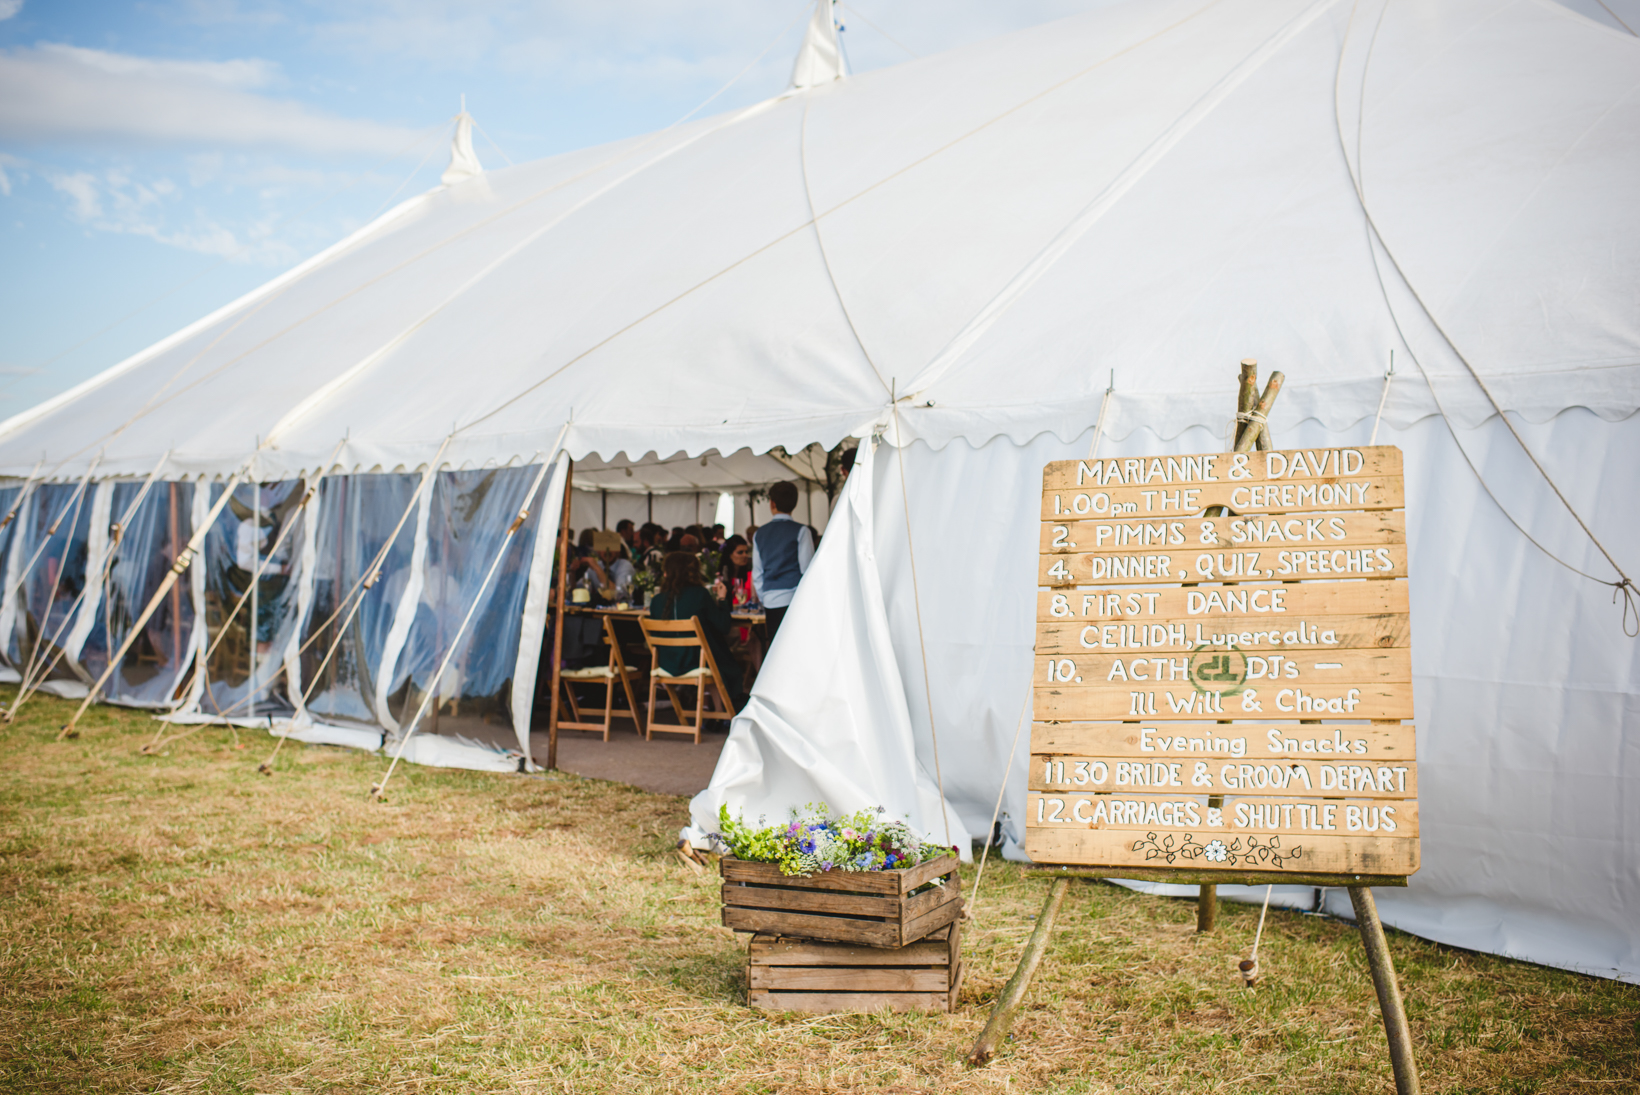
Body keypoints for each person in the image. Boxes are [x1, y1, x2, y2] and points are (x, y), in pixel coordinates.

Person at [648, 550, 746, 712]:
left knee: (714, 655)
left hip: (667, 663)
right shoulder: (699, 594)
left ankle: (718, 710)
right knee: (722, 658)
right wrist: (722, 599)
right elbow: (724, 626)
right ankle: (723, 711)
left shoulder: (656, 601)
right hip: (696, 662)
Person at [752, 480, 814, 643]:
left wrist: (764, 596)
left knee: (775, 646)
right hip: (794, 597)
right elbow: (807, 570)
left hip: (770, 598)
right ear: (795, 503)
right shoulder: (802, 531)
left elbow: (757, 573)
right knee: (795, 646)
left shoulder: (759, 533)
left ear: (772, 503)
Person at [579, 529, 635, 602]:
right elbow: (578, 589)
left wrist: (597, 569)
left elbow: (618, 594)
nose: (607, 551)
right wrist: (572, 572)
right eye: (603, 547)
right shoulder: (596, 565)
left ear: (618, 550)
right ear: (598, 551)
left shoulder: (625, 565)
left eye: (611, 547)